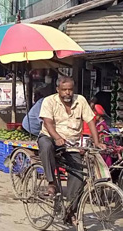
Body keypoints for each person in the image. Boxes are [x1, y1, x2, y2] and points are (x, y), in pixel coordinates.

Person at [38, 76, 104, 220]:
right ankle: (51, 182)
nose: (67, 93)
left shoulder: (80, 100)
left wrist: (97, 141)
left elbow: (91, 121)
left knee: (78, 175)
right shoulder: (49, 101)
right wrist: (57, 137)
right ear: (58, 90)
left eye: (70, 89)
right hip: (50, 137)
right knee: (46, 145)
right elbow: (48, 123)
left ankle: (70, 210)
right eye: (64, 90)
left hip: (71, 143)